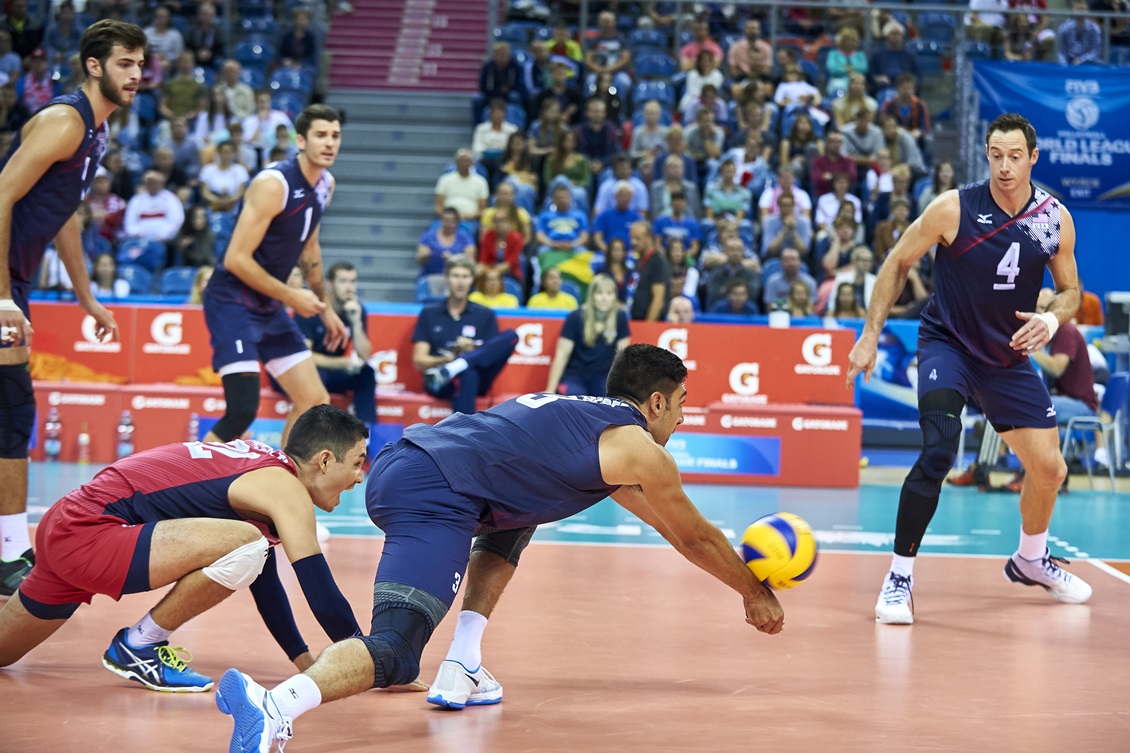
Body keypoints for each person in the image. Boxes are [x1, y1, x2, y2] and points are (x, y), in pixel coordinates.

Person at [215, 344, 784, 752]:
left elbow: (666, 526)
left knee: (523, 507)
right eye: (682, 403)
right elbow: (694, 535)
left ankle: (463, 662)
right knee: (395, 651)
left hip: (413, 467)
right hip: (434, 489)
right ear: (656, 403)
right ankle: (274, 706)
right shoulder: (637, 447)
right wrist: (753, 592)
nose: (683, 418)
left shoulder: (576, 420)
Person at [845, 113, 1092, 626]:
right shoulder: (953, 208)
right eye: (996, 155)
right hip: (949, 345)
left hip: (1007, 356)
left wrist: (1049, 318)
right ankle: (899, 578)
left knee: (1050, 469)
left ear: (1033, 158)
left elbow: (1071, 291)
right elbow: (896, 262)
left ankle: (1030, 559)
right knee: (940, 448)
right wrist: (869, 335)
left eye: (1015, 156)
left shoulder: (1053, 218)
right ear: (987, 154)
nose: (1005, 166)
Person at [0, 405, 367, 692]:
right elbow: (319, 589)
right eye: (356, 463)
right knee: (249, 544)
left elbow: (265, 580)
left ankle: (139, 644)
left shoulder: (263, 468)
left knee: (3, 652)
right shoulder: (285, 487)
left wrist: (302, 658)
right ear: (323, 460)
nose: (360, 476)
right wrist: (372, 659)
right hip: (92, 533)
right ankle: (139, 645)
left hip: (70, 524)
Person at [0, 20, 144, 597]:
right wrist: (2, 296)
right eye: (125, 64)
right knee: (13, 410)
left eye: (139, 65)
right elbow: (2, 194)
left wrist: (87, 296)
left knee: (10, 412)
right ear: (93, 65)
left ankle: (11, 548)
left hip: (16, 279)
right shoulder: (65, 121)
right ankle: (12, 551)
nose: (136, 75)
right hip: (3, 281)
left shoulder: (96, 133)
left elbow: (64, 212)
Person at [201, 105, 346, 450]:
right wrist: (291, 296)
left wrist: (325, 308)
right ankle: (186, 494)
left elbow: (310, 248)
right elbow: (236, 259)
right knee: (241, 411)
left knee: (313, 399)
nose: (330, 143)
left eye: (336, 136)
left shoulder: (326, 184)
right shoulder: (273, 184)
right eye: (321, 135)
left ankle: (279, 484)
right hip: (231, 300)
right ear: (300, 140)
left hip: (268, 304)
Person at [414, 255, 518, 415]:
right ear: (447, 278)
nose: (460, 282)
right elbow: (419, 361)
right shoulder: (430, 313)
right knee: (468, 374)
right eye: (456, 276)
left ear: (472, 280)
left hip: (480, 378)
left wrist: (472, 352)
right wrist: (448, 359)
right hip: (440, 379)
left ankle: (461, 363)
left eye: (465, 276)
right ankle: (455, 367)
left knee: (512, 335)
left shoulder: (485, 314)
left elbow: (492, 355)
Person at [295, 262, 376, 453]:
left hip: (333, 371)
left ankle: (365, 439)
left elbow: (364, 353)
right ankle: (316, 443)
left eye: (353, 281)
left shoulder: (356, 309)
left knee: (367, 373)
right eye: (343, 281)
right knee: (317, 377)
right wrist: (341, 363)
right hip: (303, 370)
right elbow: (304, 356)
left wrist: (355, 322)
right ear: (330, 284)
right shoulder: (312, 308)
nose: (349, 287)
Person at [545, 274, 629, 396]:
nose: (604, 298)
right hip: (574, 377)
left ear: (614, 297)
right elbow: (562, 355)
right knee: (576, 402)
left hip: (603, 378)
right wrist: (550, 389)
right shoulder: (575, 317)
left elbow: (623, 359)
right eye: (599, 293)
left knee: (607, 404)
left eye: (609, 294)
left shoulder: (619, 317)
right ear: (592, 296)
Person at [628, 221, 671, 322]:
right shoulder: (639, 261)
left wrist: (647, 328)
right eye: (632, 238)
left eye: (637, 239)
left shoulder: (657, 262)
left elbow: (658, 300)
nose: (633, 242)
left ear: (650, 239)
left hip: (649, 324)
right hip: (636, 321)